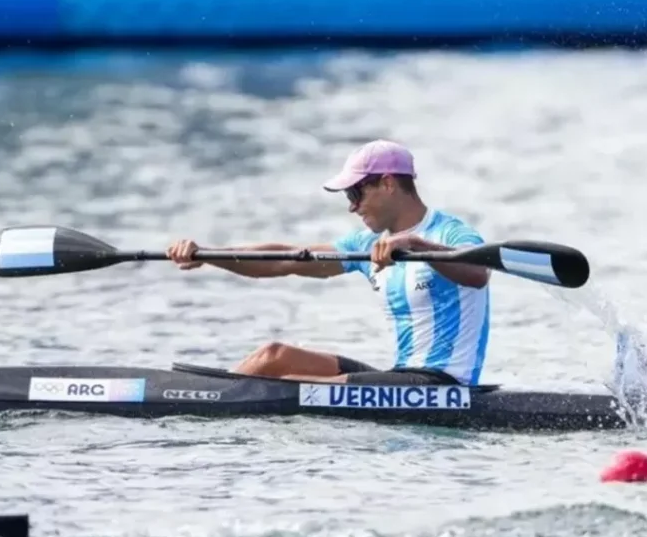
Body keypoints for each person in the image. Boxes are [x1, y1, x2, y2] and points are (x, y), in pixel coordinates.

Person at [165, 139, 491, 386]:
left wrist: (413, 244)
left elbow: (478, 274)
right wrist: (208, 255)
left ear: (388, 183)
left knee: (291, 386)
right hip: (398, 379)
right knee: (274, 357)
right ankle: (213, 396)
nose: (352, 207)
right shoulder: (366, 245)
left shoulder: (451, 233)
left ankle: (210, 403)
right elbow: (286, 260)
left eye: (355, 194)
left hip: (442, 385)